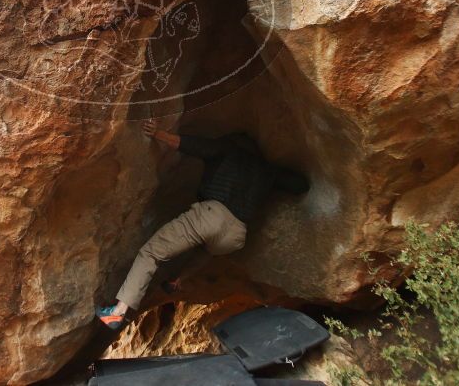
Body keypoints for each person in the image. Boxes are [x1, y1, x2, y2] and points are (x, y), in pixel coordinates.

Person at [96, 119, 310, 330]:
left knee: (151, 253)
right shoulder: (266, 170)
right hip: (236, 234)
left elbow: (192, 145)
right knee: (208, 249)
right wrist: (271, 170)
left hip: (210, 215)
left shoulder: (228, 149)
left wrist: (158, 133)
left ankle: (118, 312)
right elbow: (300, 185)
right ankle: (178, 280)